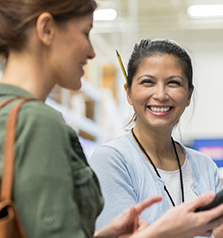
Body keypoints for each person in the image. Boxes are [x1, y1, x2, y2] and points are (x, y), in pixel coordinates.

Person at [0, 0, 223, 237]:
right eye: (85, 33)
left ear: (189, 94)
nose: (92, 51)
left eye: (174, 83)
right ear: (46, 29)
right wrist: (164, 232)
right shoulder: (37, 123)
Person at [90, 38, 223, 238]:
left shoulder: (205, 166)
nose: (161, 94)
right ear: (128, 92)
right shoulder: (111, 160)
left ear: (188, 96)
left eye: (173, 83)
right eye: (148, 82)